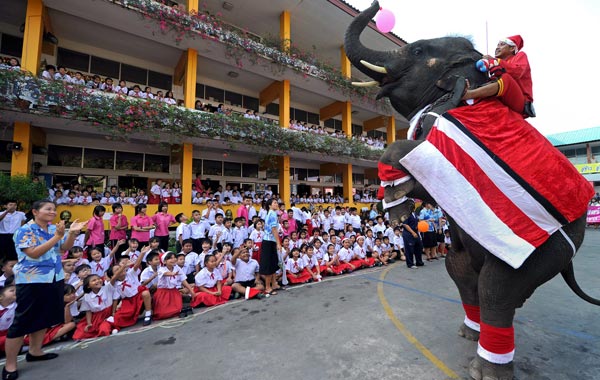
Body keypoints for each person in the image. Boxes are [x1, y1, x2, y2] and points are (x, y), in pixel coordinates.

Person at [5, 200, 86, 379]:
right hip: (32, 280)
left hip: (54, 277)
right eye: (48, 209)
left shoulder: (52, 229)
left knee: (44, 317)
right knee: (22, 321)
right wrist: (58, 236)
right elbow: (33, 253)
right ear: (35, 211)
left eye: (54, 209)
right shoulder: (25, 230)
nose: (52, 212)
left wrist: (71, 233)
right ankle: (10, 365)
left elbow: (64, 248)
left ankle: (35, 351)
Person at [463, 35, 534, 118]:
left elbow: (517, 72)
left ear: (512, 48)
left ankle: (469, 94)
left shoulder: (520, 55)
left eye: (502, 44)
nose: (497, 47)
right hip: (503, 99)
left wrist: (495, 61)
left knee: (506, 79)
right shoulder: (496, 64)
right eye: (497, 45)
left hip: (520, 102)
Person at [260, 199, 282, 295]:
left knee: (273, 263)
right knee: (269, 265)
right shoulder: (272, 214)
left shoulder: (271, 213)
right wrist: (278, 243)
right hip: (269, 241)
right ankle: (268, 287)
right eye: (274, 203)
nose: (276, 204)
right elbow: (273, 229)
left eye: (277, 202)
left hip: (270, 241)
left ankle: (274, 284)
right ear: (269, 205)